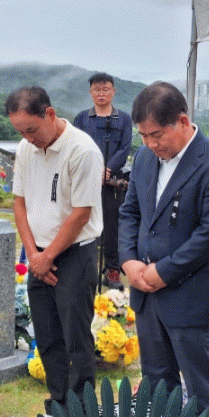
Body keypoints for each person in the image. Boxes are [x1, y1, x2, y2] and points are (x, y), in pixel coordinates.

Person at [118, 81, 209, 417]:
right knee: (156, 387)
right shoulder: (144, 158)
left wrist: (165, 271)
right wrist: (128, 260)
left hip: (192, 297)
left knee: (202, 394)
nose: (150, 144)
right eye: (143, 136)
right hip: (147, 295)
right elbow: (130, 212)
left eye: (156, 135)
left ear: (183, 122)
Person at [6, 86, 103, 417]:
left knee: (76, 338)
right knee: (47, 336)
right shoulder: (26, 148)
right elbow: (19, 203)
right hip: (38, 254)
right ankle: (59, 405)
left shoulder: (82, 150)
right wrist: (35, 254)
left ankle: (82, 415)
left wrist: (47, 257)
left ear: (49, 113)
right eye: (21, 132)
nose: (28, 139)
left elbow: (81, 213)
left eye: (31, 130)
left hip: (75, 253)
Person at [74, 72, 132, 290]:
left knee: (112, 226)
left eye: (105, 89)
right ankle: (82, 267)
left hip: (112, 181)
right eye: (97, 90)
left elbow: (124, 148)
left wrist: (106, 169)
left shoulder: (123, 119)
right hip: (86, 178)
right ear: (90, 92)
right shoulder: (82, 118)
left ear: (113, 91)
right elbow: (77, 145)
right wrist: (93, 169)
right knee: (82, 221)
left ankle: (112, 270)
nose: (101, 94)